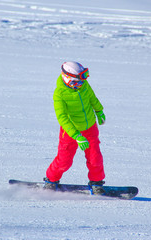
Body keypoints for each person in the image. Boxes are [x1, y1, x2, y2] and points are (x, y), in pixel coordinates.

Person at [44, 61, 106, 195]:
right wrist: (77, 136)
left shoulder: (84, 86)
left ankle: (96, 183)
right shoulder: (59, 94)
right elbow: (62, 118)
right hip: (70, 132)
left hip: (89, 127)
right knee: (64, 161)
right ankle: (51, 180)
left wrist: (99, 111)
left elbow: (92, 98)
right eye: (76, 82)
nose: (80, 85)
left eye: (81, 82)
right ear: (67, 79)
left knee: (95, 158)